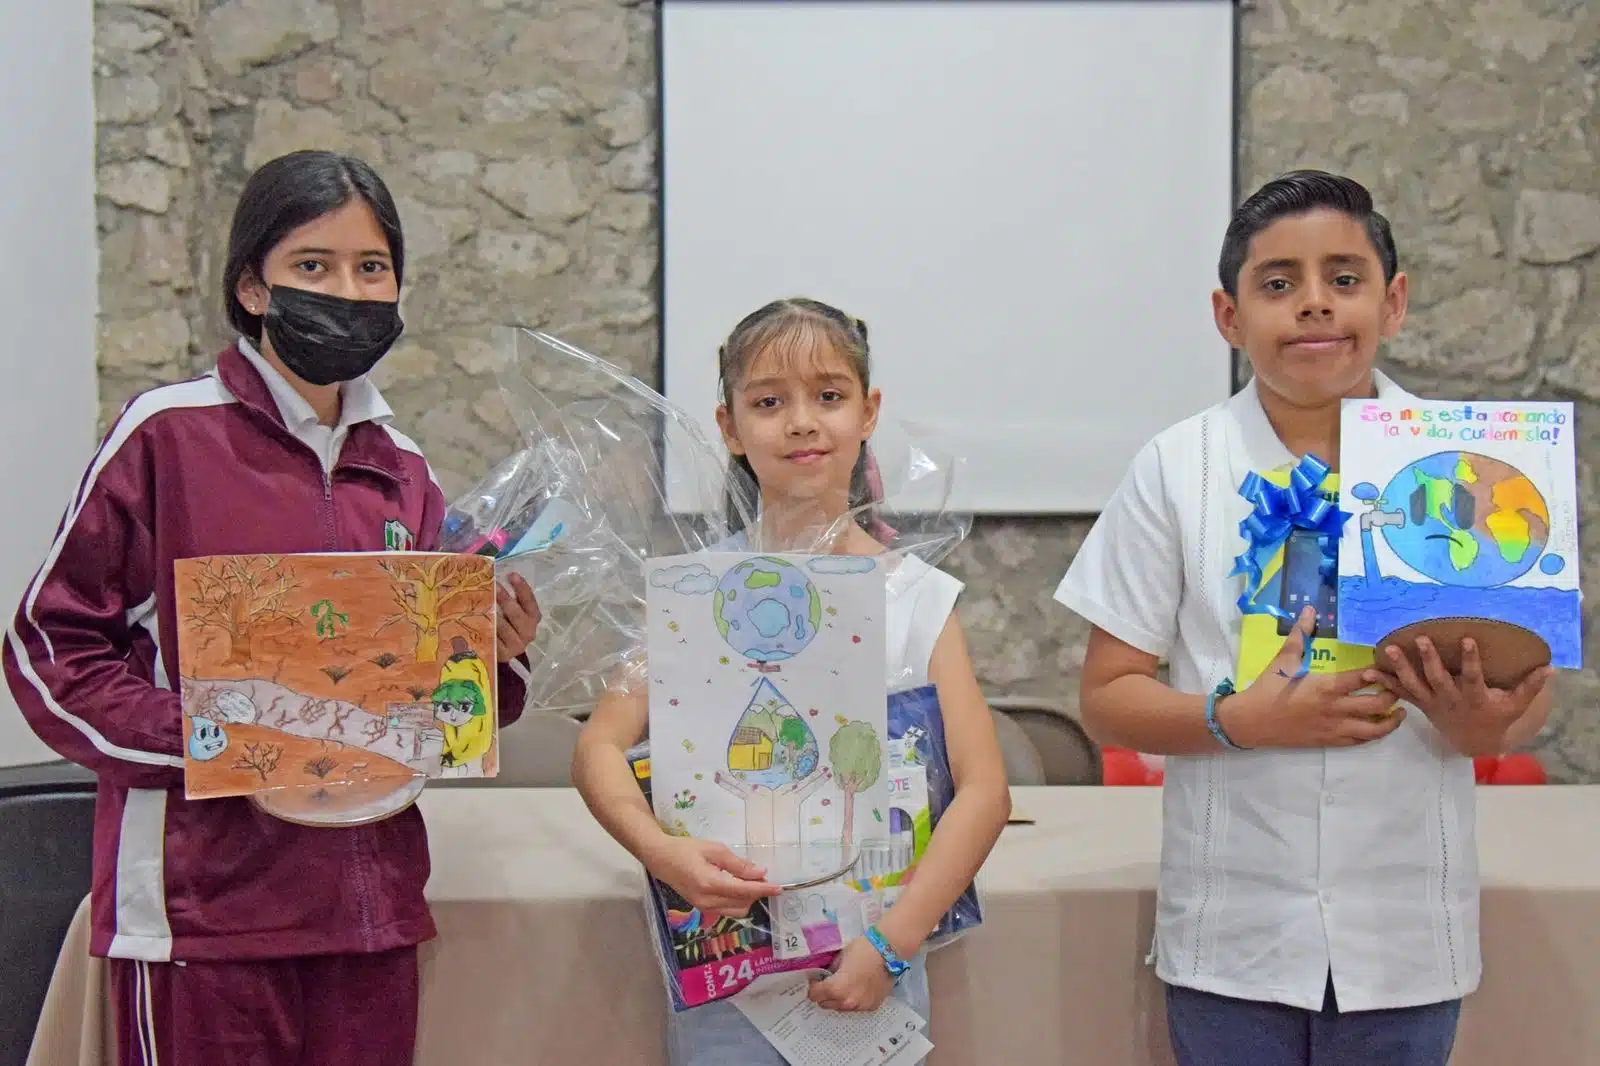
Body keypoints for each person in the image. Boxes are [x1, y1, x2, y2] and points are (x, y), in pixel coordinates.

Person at [2, 150, 543, 1066]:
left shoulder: (404, 468)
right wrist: (219, 735)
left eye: (371, 268)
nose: (348, 289)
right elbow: (50, 652)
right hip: (203, 917)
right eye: (313, 266)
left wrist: (496, 655)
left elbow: (440, 715)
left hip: (368, 918)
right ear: (253, 287)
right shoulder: (167, 435)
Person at [1052, 170, 1554, 1066]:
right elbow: (1107, 696)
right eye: (1278, 283)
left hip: (1406, 938)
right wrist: (1233, 720)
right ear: (1228, 317)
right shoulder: (1177, 468)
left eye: (1345, 279)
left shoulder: (1473, 467)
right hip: (1232, 939)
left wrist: (1488, 723)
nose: (1315, 306)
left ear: (1393, 303)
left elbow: (1529, 694)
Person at [570, 298, 1011, 1065]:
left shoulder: (916, 598)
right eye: (770, 402)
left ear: (868, 412)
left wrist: (891, 943)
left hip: (876, 969)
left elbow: (984, 791)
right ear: (731, 427)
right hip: (730, 980)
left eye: (829, 396)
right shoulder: (693, 597)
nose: (802, 422)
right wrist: (663, 853)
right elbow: (599, 748)